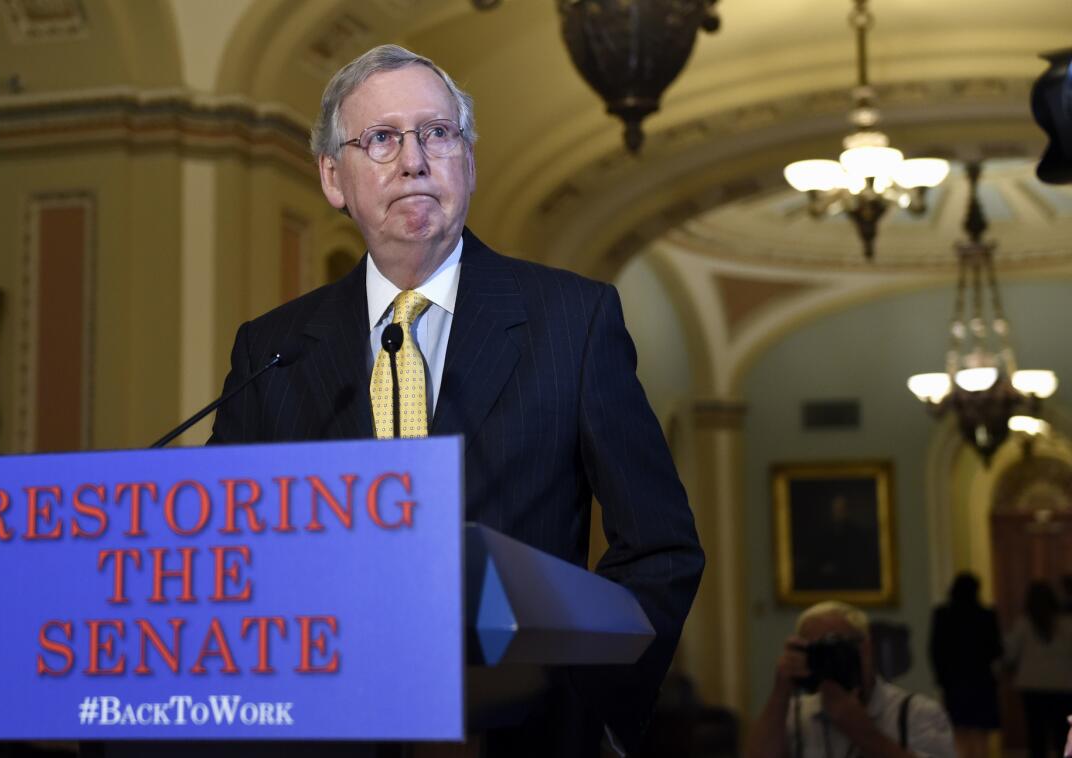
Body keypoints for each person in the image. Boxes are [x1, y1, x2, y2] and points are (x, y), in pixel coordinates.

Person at [208, 44, 705, 754]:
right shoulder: (272, 350)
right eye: (380, 139)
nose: (412, 160)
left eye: (436, 134)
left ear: (467, 162)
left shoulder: (573, 321)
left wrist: (582, 709)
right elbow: (228, 557)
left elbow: (660, 548)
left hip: (521, 733)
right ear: (332, 178)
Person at [746, 601, 956, 758]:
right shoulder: (795, 713)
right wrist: (780, 693)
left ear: (866, 648)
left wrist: (861, 730)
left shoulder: (916, 713)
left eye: (836, 647)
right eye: (817, 651)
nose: (828, 660)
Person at [928, 573, 1003, 758]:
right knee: (980, 735)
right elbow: (996, 649)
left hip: (954, 681)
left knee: (958, 732)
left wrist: (942, 677)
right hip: (980, 679)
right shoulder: (986, 615)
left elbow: (936, 650)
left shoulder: (943, 615)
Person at [1004, 581, 1072, 758]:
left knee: (1036, 734)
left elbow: (1009, 653)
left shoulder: (1024, 624)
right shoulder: (1066, 624)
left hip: (1032, 686)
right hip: (1062, 685)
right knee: (1061, 734)